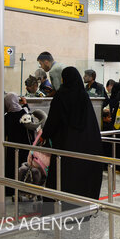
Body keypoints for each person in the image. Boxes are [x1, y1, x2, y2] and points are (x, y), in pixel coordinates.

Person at [40, 67, 103, 200]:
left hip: (65, 144)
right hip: (86, 145)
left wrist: (45, 135)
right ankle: (82, 207)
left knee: (63, 176)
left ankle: (60, 208)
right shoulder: (83, 95)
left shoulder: (61, 95)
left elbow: (53, 120)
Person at [4, 93, 33, 196]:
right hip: (25, 146)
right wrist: (25, 105)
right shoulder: (23, 113)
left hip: (12, 147)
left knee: (12, 166)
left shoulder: (7, 117)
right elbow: (31, 124)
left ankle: (10, 189)